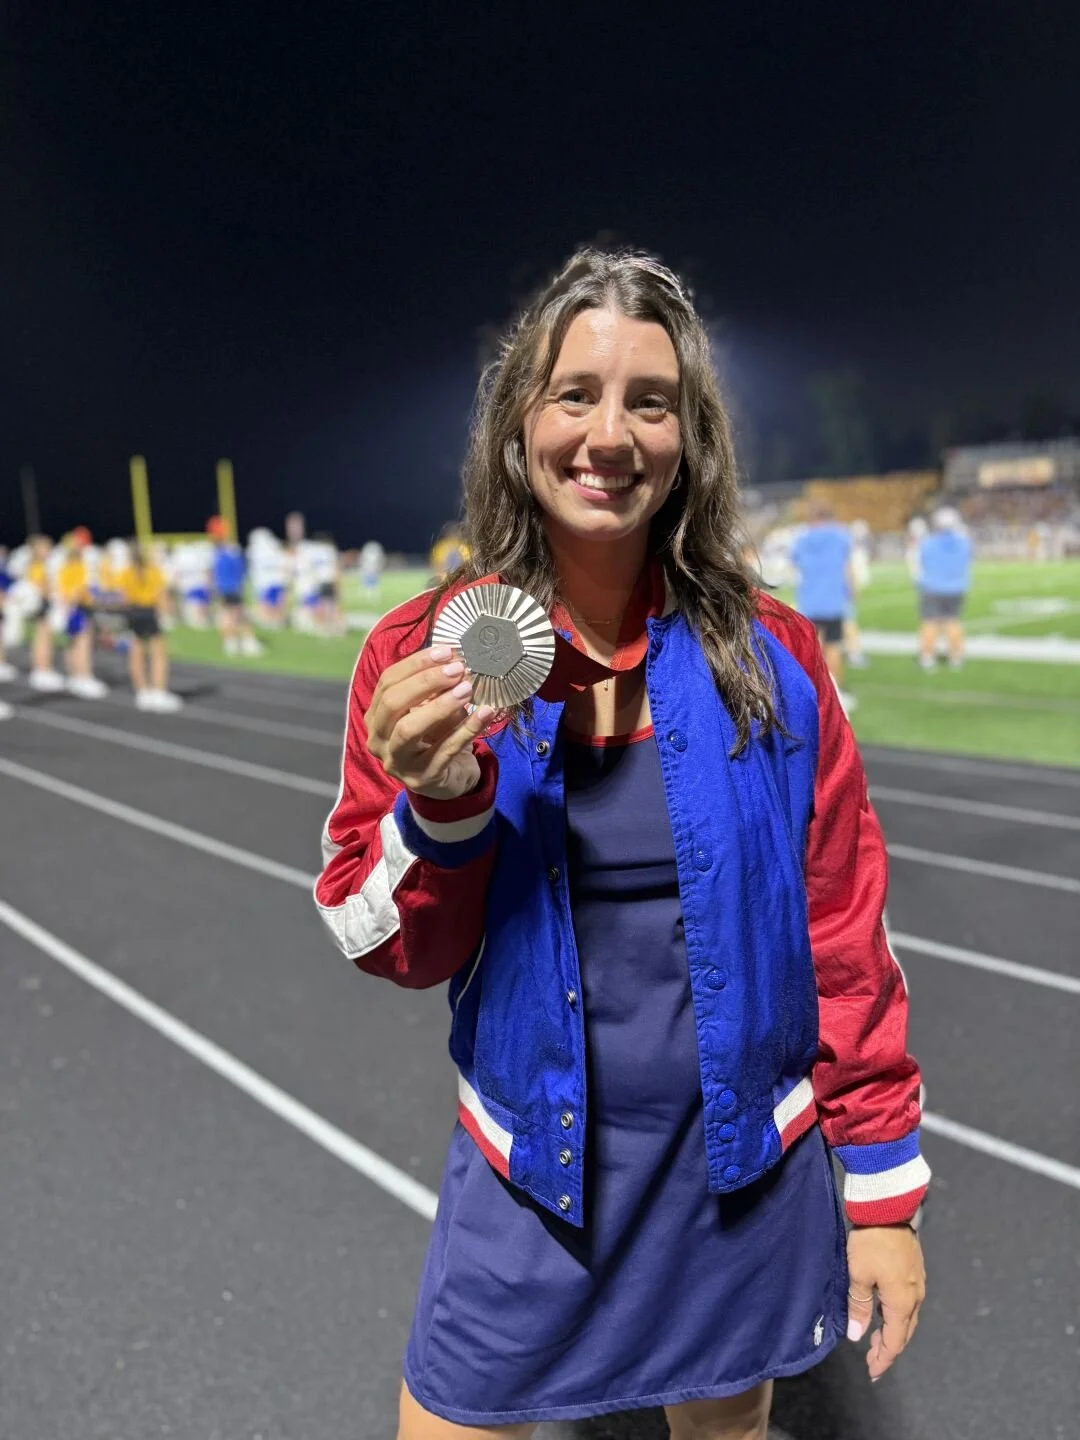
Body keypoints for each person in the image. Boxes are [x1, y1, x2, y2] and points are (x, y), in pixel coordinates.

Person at [314, 249, 928, 1440]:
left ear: (689, 436)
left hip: (737, 1168)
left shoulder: (776, 656)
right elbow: (377, 936)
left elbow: (843, 928)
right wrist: (437, 807)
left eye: (650, 400)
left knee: (727, 1431)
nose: (610, 433)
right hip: (532, 1178)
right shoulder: (421, 652)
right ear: (518, 426)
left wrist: (883, 1194)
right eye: (574, 394)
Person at [789, 503, 857, 712]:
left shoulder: (802, 539)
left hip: (809, 600)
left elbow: (795, 565)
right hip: (833, 600)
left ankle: (813, 690)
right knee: (835, 646)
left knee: (813, 648)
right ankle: (835, 690)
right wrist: (851, 590)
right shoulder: (841, 536)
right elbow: (848, 567)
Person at [121, 543, 182, 712]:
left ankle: (142, 691)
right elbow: (160, 593)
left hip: (133, 611)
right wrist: (166, 613)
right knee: (158, 652)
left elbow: (124, 597)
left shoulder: (127, 572)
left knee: (136, 649)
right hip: (150, 611)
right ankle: (159, 691)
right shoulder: (153, 571)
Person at [916, 506, 973, 671]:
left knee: (930, 623)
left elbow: (922, 561)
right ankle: (956, 657)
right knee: (953, 622)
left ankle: (927, 657)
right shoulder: (963, 542)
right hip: (956, 587)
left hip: (933, 587)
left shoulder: (929, 542)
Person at [54, 528, 108, 698]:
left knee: (73, 643)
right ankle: (84, 676)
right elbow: (75, 590)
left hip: (70, 607)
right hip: (76, 607)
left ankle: (75, 677)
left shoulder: (66, 564)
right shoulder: (73, 565)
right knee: (83, 642)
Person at [207, 516, 263, 657]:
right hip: (231, 587)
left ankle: (233, 643)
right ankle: (243, 643)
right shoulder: (229, 550)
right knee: (237, 615)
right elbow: (239, 570)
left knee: (230, 615)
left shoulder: (220, 551)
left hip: (226, 587)